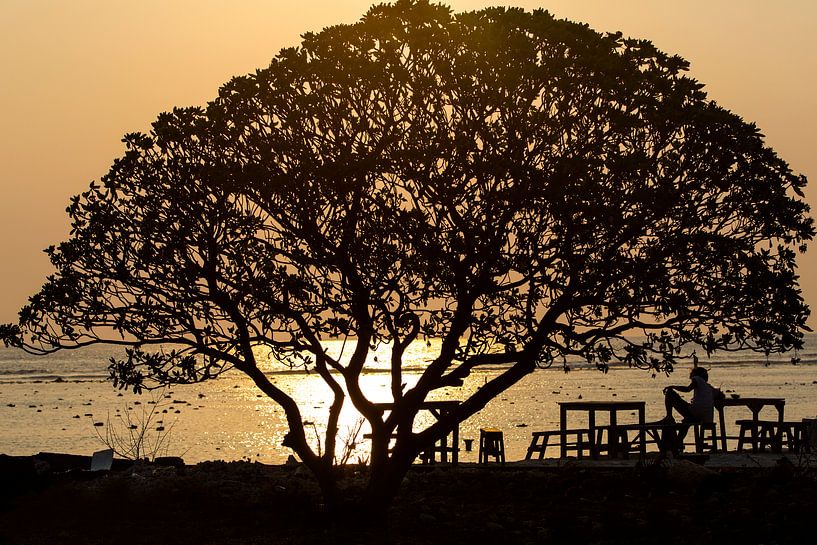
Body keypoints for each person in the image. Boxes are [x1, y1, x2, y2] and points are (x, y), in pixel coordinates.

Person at [658, 366, 720, 451]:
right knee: (687, 421)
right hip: (706, 418)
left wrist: (672, 386)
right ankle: (677, 443)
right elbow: (719, 395)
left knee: (670, 393)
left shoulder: (697, 378)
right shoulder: (709, 387)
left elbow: (687, 389)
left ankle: (669, 416)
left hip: (695, 413)